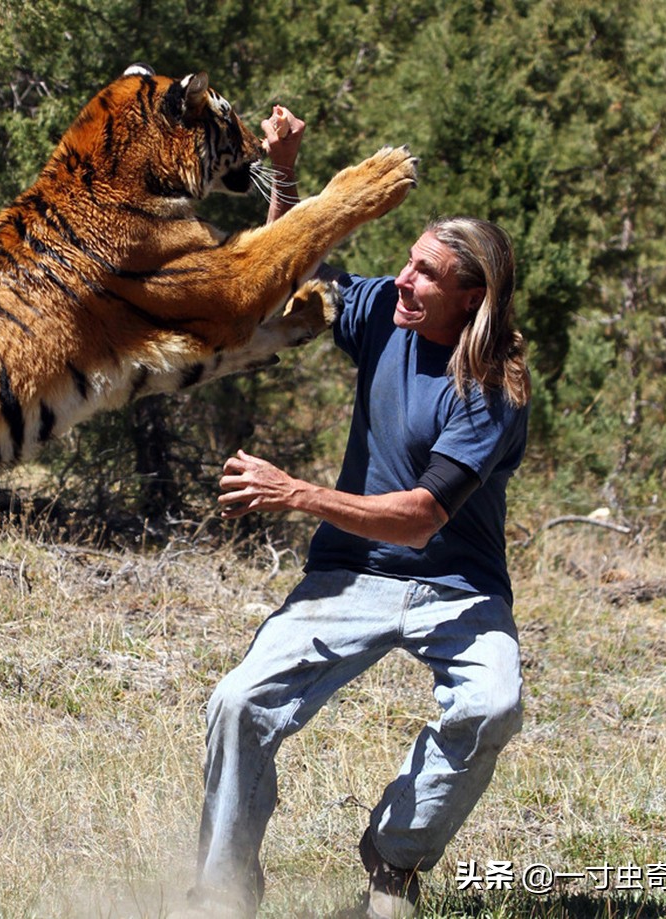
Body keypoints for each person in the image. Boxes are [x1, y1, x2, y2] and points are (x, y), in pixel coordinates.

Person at [188, 107, 532, 919]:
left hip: (456, 583)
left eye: (425, 275)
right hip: (349, 575)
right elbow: (282, 275)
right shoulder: (382, 308)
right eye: (407, 263)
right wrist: (289, 174)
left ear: (472, 297)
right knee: (238, 703)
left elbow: (420, 518)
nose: (403, 280)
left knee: (494, 703)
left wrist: (295, 492)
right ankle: (223, 893)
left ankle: (394, 859)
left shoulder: (492, 388)